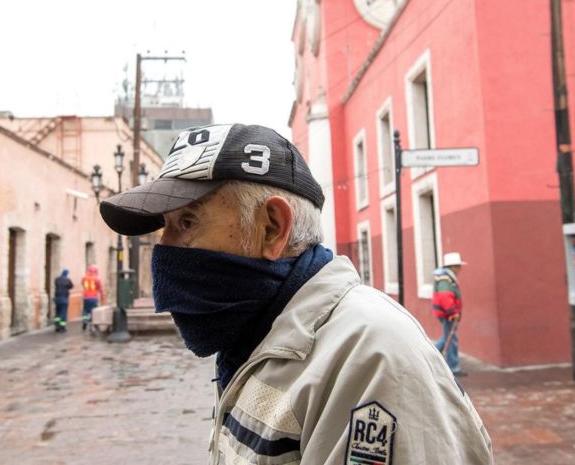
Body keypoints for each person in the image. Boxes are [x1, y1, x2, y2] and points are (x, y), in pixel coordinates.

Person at [99, 124, 492, 464]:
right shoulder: (258, 333)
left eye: (187, 221)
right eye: (165, 226)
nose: (164, 248)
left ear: (272, 227)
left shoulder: (370, 355)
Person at [433, 252, 467, 377]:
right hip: (448, 314)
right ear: (453, 266)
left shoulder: (446, 277)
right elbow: (445, 296)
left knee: (447, 337)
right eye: (459, 266)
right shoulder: (445, 278)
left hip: (447, 313)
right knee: (451, 339)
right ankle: (453, 366)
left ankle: (432, 357)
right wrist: (453, 311)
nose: (460, 269)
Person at [80, 265, 104, 331]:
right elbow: (100, 288)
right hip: (94, 297)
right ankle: (94, 324)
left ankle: (85, 322)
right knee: (93, 311)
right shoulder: (97, 278)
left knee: (85, 310)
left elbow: (83, 284)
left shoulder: (84, 278)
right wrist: (102, 297)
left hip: (86, 297)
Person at [53, 269, 73, 333]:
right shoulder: (67, 280)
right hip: (64, 299)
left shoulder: (57, 279)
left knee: (57, 312)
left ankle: (57, 326)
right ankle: (62, 327)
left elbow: (55, 284)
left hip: (57, 298)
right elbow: (71, 286)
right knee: (63, 313)